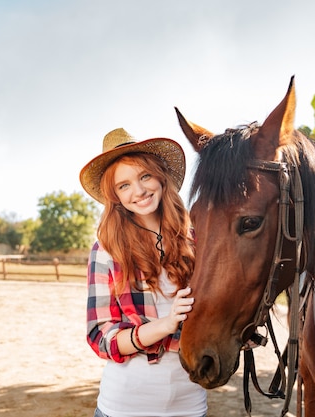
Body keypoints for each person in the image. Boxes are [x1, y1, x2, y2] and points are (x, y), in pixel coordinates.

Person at [79, 128, 207, 417]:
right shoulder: (106, 250)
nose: (138, 191)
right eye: (123, 185)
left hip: (190, 406)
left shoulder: (197, 241)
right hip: (125, 406)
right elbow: (101, 336)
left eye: (144, 176)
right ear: (115, 197)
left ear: (160, 177)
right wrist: (167, 324)